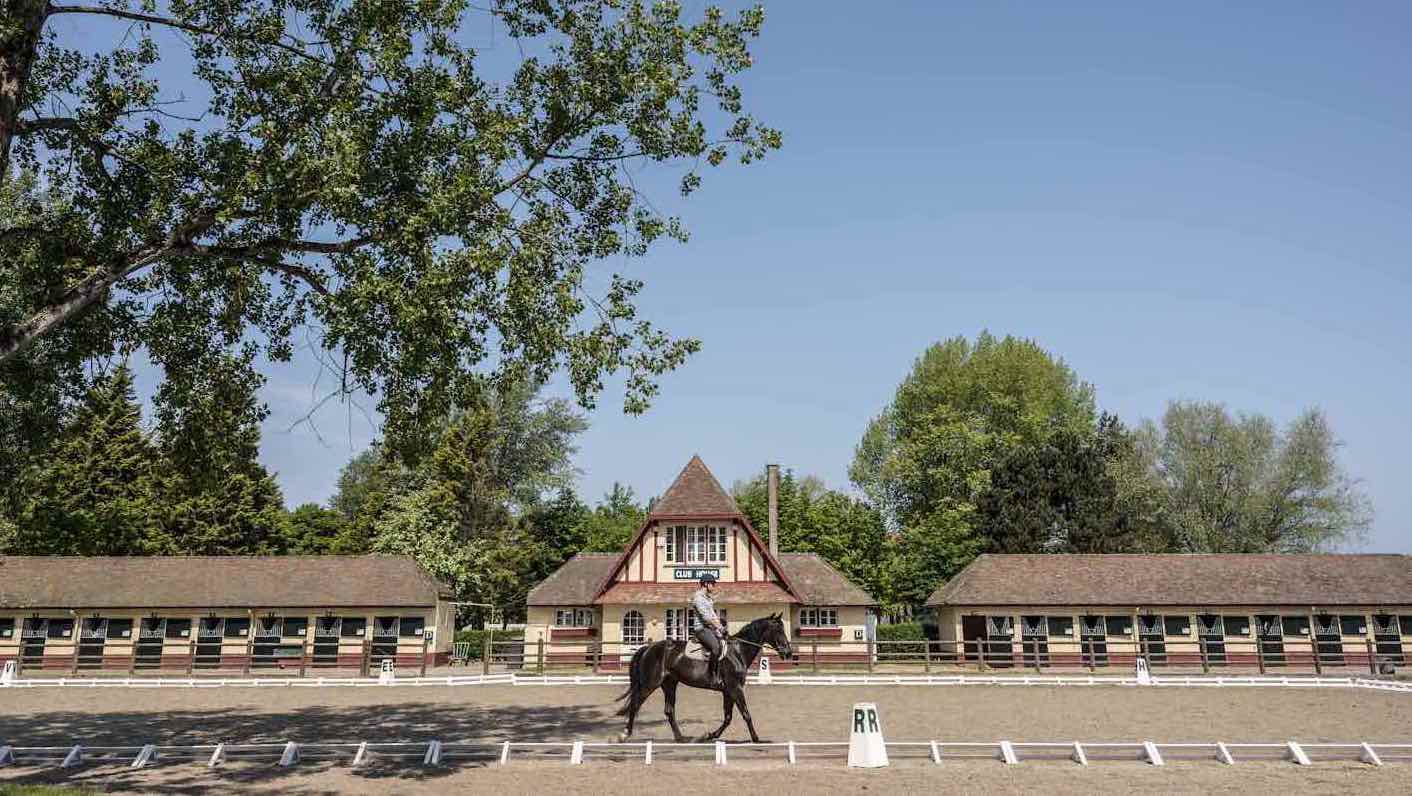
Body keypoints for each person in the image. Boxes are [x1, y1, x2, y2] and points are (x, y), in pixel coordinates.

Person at [691, 573, 729, 686]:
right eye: (712, 584)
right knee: (716, 647)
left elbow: (713, 616)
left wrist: (721, 629)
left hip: (710, 629)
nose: (714, 587)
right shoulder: (698, 598)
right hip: (701, 629)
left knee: (724, 643)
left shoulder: (708, 599)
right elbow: (706, 618)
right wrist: (719, 628)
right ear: (706, 584)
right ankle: (711, 675)